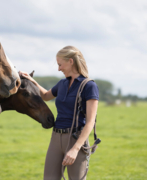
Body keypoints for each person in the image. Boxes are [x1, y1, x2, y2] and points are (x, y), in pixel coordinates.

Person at [20, 46, 99, 180]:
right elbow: (45, 95)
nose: (59, 69)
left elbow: (90, 122)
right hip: (56, 138)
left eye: (60, 64)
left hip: (76, 139)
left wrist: (75, 149)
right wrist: (31, 80)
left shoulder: (89, 86)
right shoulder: (62, 83)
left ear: (71, 61)